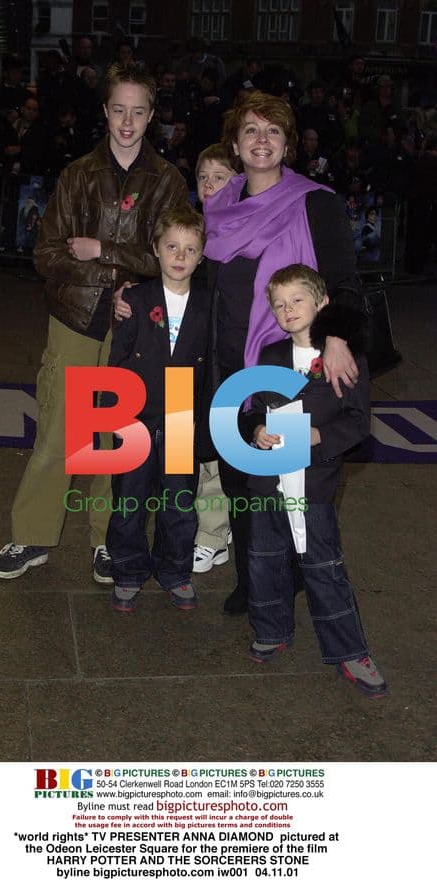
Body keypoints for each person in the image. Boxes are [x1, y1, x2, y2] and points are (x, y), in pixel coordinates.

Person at [0, 63, 188, 583]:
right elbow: (46, 253)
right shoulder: (77, 174)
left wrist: (103, 250)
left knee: (110, 437)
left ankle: (107, 541)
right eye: (118, 110)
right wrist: (114, 272)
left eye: (138, 111)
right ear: (105, 111)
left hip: (132, 324)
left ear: (152, 116)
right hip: (75, 318)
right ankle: (32, 535)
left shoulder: (167, 181)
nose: (127, 121)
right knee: (57, 431)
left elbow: (175, 254)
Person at [202, 91, 363, 616]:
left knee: (282, 481)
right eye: (251, 130)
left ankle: (290, 575)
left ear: (288, 144)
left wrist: (336, 337)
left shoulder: (316, 202)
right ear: (235, 143)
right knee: (237, 475)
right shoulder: (219, 206)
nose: (262, 140)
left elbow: (344, 280)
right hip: (225, 362)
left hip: (287, 367)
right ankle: (256, 576)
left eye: (273, 131)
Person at [244, 264, 387, 698]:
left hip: (314, 486)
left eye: (297, 300)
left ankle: (349, 651)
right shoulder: (269, 356)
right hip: (268, 482)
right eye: (279, 304)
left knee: (323, 568)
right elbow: (250, 408)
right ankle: (272, 628)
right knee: (263, 560)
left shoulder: (345, 360)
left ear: (321, 302)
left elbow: (359, 424)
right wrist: (255, 431)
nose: (288, 310)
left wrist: (321, 435)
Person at [106, 206, 210, 612]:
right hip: (133, 408)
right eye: (172, 247)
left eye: (190, 249)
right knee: (128, 499)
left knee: (179, 501)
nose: (180, 257)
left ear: (202, 256)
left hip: (183, 409)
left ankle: (175, 570)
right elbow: (117, 357)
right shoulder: (134, 298)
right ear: (156, 250)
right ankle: (128, 569)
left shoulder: (208, 302)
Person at [192, 144, 236, 573]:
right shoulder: (195, 230)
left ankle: (213, 534)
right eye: (203, 176)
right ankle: (207, 530)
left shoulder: (240, 233)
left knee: (217, 446)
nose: (208, 185)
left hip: (228, 356)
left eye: (219, 176)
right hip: (195, 354)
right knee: (198, 445)